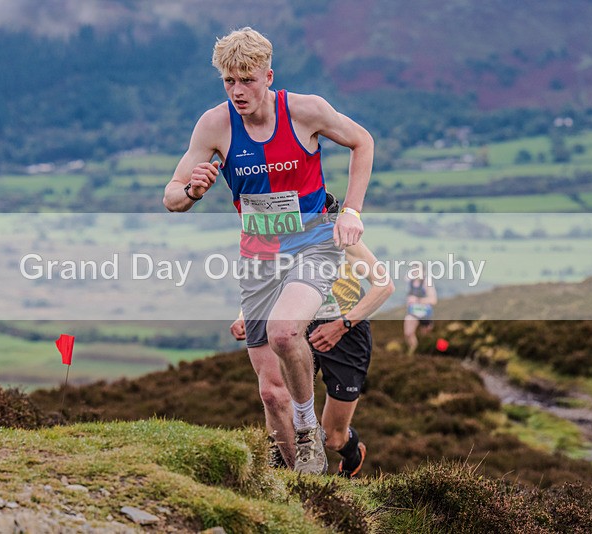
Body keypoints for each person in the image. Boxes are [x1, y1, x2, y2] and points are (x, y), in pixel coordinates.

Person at [164, 27, 374, 474]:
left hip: (314, 243)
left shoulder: (304, 111)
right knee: (270, 392)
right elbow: (172, 198)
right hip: (259, 257)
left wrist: (352, 211)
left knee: (283, 333)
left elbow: (363, 141)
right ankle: (299, 482)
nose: (238, 91)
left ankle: (307, 429)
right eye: (228, 81)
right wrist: (193, 189)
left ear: (268, 76)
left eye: (247, 79)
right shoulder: (215, 124)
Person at [231, 235, 393, 477]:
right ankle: (296, 483)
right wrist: (244, 314)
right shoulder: (282, 234)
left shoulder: (337, 234)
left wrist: (341, 326)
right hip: (300, 327)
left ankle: (352, 452)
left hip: (346, 331)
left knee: (332, 437)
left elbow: (384, 286)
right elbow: (270, 281)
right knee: (279, 403)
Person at [403, 268, 437, 355]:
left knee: (425, 338)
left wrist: (417, 300)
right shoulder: (410, 282)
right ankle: (412, 353)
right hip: (413, 313)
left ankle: (422, 355)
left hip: (425, 314)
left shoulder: (427, 282)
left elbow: (433, 300)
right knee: (408, 333)